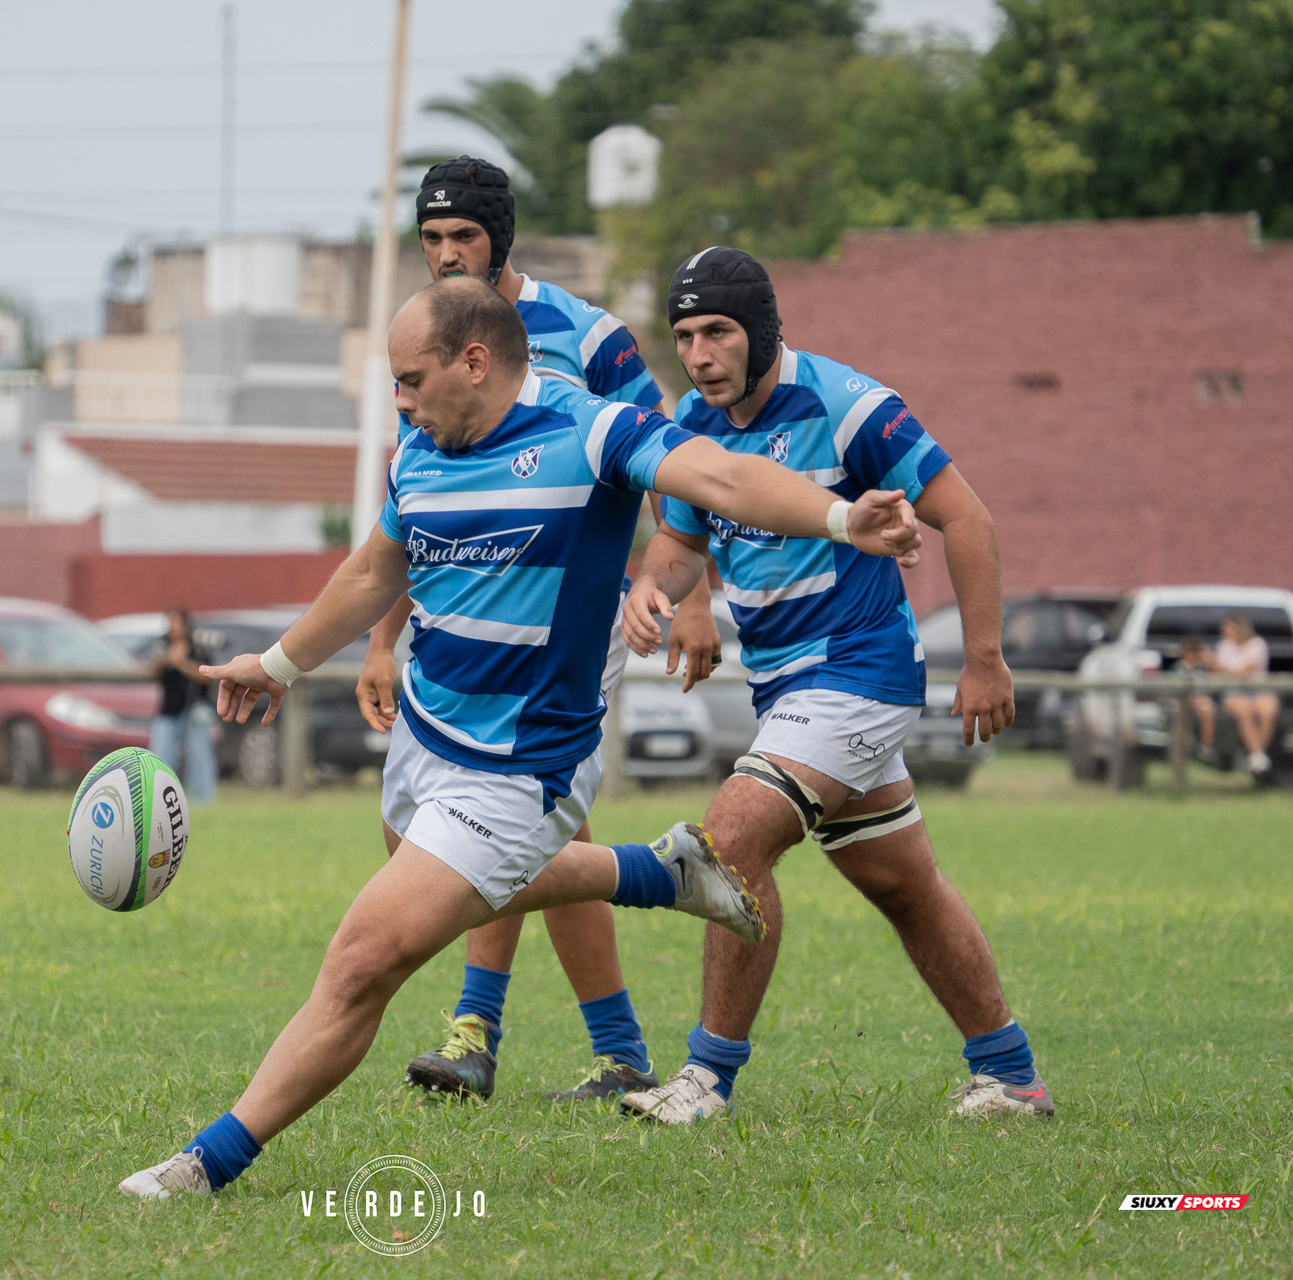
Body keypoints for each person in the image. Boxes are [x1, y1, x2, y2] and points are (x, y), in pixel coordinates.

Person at [119, 275, 923, 1199]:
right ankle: (662, 874)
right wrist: (281, 663)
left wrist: (837, 516)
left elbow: (721, 474)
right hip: (424, 738)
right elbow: (374, 569)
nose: (400, 400)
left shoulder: (590, 431)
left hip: (518, 771)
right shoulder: (418, 452)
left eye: (411, 378)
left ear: (476, 361)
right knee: (466, 890)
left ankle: (204, 1165)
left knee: (362, 961)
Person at [615, 247, 1055, 1125]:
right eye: (685, 336)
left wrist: (984, 658)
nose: (699, 355)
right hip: (787, 692)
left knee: (731, 841)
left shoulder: (848, 405)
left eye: (718, 333)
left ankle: (705, 1080)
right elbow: (684, 546)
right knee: (902, 884)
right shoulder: (695, 434)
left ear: (764, 329)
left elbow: (964, 515)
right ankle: (1013, 1078)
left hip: (859, 672)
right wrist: (652, 586)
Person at [358, 155, 724, 1103]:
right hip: (464, 619)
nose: (445, 257)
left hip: (574, 609)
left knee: (489, 804)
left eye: (462, 238)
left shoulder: (591, 339)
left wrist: (685, 593)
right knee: (467, 827)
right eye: (431, 240)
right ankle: (617, 1045)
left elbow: (669, 468)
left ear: (501, 237)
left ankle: (476, 1029)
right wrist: (380, 638)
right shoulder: (424, 341)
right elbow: (421, 513)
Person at [1185, 613, 1278, 775]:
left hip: (1257, 689)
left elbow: (1246, 671)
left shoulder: (1257, 644)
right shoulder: (1224, 645)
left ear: (1238, 627)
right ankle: (1258, 757)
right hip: (1234, 691)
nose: (1224, 630)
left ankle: (1256, 755)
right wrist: (1211, 664)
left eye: (1227, 626)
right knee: (1243, 709)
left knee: (1267, 710)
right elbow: (1220, 673)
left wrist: (1218, 667)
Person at [147, 608, 218, 805]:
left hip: (195, 711)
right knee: (161, 758)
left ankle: (203, 801)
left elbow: (207, 676)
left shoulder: (198, 647)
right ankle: (160, 801)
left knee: (200, 757)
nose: (172, 628)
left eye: (175, 623)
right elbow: (152, 675)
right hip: (168, 711)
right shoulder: (162, 647)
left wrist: (182, 664)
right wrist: (164, 661)